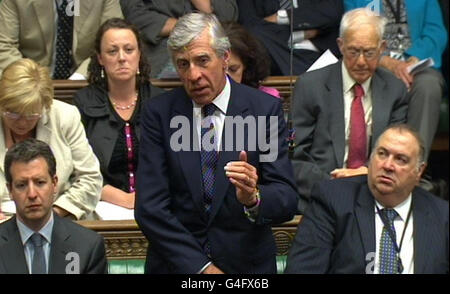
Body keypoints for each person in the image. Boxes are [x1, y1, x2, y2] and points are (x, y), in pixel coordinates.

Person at [135, 12, 298, 274]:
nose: (194, 75)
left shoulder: (263, 110)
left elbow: (286, 198)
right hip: (178, 266)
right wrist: (203, 269)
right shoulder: (160, 114)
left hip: (245, 266)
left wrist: (253, 198)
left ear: (224, 58)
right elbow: (150, 209)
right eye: (183, 64)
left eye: (202, 61)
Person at [285, 124, 449, 274]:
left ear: (419, 171)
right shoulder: (332, 200)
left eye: (400, 159)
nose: (387, 165)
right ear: (371, 158)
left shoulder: (442, 217)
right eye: (382, 154)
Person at [290, 8, 409, 214]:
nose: (361, 61)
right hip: (322, 193)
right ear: (341, 46)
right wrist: (336, 185)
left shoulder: (395, 90)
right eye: (354, 51)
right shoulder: (310, 86)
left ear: (382, 48)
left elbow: (398, 155)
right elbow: (295, 157)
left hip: (376, 194)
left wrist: (368, 176)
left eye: (369, 52)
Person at [74, 18, 164, 210]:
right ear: (100, 58)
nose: (122, 57)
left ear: (139, 54)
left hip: (157, 203)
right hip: (100, 205)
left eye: (129, 50)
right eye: (112, 51)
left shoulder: (161, 102)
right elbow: (75, 169)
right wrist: (122, 199)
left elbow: (175, 167)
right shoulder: (82, 103)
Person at [344, 0, 447, 164]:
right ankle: (373, 170)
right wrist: (386, 61)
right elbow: (352, 34)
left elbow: (436, 32)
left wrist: (414, 58)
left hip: (416, 65)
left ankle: (413, 169)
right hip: (374, 63)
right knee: (374, 81)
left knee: (428, 85)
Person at [0, 58, 102, 220]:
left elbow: (90, 179)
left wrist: (53, 215)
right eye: (12, 113)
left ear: (45, 106)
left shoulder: (65, 117)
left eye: (31, 115)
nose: (22, 122)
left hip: (60, 219)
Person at [0, 139, 107, 274]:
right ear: (10, 190)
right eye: (22, 185)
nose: (32, 194)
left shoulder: (87, 247)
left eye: (40, 182)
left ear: (54, 183)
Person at [0, 0, 123, 79]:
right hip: (30, 81)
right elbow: (4, 45)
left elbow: (114, 43)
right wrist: (30, 78)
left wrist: (79, 77)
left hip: (87, 80)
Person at [120, 0, 238, 78]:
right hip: (159, 52)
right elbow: (135, 16)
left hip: (209, 47)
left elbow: (228, 16)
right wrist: (188, 29)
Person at [237, 0, 344, 76]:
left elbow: (331, 11)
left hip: (319, 53)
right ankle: (307, 81)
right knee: (255, 33)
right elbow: (249, 27)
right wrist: (304, 33)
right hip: (274, 58)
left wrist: (281, 17)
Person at [222, 21, 280, 98]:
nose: (227, 79)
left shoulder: (266, 100)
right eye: (220, 70)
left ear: (246, 65)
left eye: (233, 69)